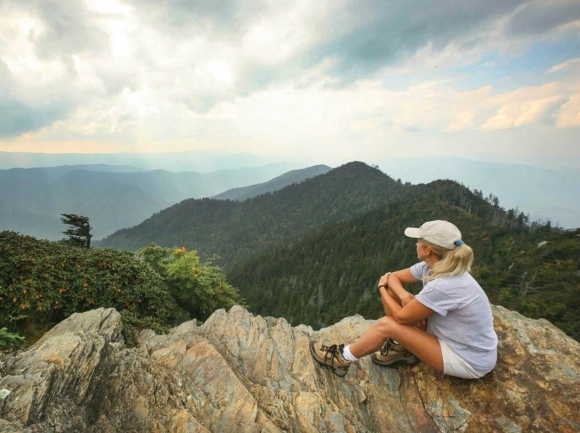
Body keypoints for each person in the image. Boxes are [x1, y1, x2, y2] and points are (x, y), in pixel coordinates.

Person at [310, 220, 498, 379]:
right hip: (448, 336)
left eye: (418, 241)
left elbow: (399, 316)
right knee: (396, 295)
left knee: (387, 325)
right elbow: (394, 277)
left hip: (467, 358)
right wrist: (403, 295)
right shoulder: (433, 266)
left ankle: (342, 358)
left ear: (427, 250)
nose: (415, 243)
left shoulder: (445, 284)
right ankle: (402, 347)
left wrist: (382, 288)